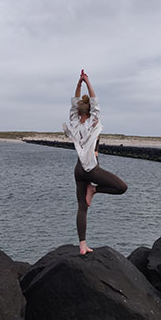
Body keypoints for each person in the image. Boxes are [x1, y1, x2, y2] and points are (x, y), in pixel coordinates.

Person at [62, 70, 128, 255]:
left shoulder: (74, 122)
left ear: (78, 112)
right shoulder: (93, 121)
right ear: (90, 111)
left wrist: (78, 84)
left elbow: (74, 103)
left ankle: (82, 245)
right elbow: (95, 100)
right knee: (122, 187)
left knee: (82, 208)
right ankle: (95, 189)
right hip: (91, 169)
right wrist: (87, 81)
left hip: (78, 170)